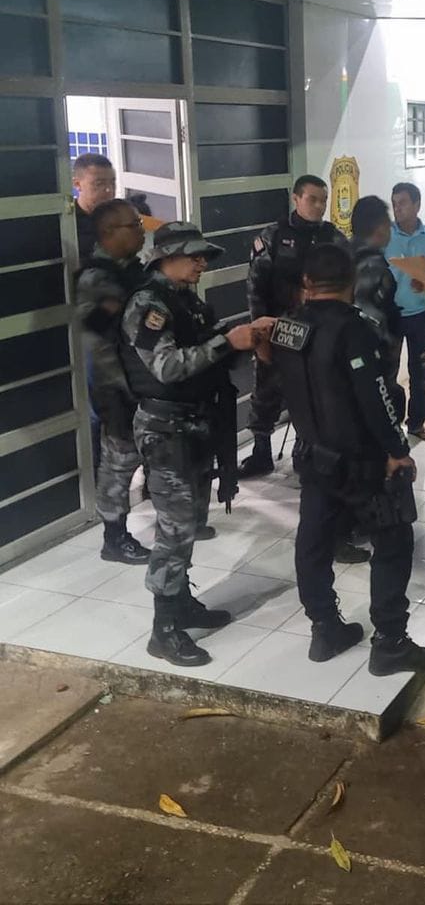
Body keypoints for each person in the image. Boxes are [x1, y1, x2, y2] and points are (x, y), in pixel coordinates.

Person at [270, 244, 425, 672]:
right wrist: (397, 451)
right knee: (394, 540)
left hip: (313, 456)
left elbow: (278, 380)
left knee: (313, 542)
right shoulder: (355, 329)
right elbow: (376, 397)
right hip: (363, 461)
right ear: (351, 281)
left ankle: (325, 628)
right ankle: (390, 642)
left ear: (307, 282)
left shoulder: (287, 327)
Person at [120, 222, 272, 667]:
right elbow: (166, 367)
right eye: (194, 255)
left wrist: (244, 332)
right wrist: (228, 342)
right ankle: (163, 630)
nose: (202, 262)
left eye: (204, 255)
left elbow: (204, 342)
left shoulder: (185, 300)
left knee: (189, 523)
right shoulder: (147, 304)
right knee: (174, 530)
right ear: (166, 257)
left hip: (195, 424)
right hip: (165, 428)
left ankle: (182, 604)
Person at [239, 174, 347, 479]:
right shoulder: (273, 236)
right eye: (312, 199)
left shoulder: (333, 238)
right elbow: (255, 288)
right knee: (266, 392)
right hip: (277, 329)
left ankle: (305, 452)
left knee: (312, 393)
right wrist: (259, 335)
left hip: (317, 333)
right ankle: (261, 452)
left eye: (323, 200)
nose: (319, 206)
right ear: (296, 199)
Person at [75, 199, 150, 565]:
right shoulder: (96, 278)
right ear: (108, 233)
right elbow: (101, 334)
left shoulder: (133, 269)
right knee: (119, 461)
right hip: (117, 386)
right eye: (133, 225)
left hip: (143, 380)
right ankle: (115, 537)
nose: (141, 230)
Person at [387, 182, 425, 442]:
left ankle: (417, 423)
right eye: (394, 204)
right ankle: (390, 425)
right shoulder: (386, 236)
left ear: (417, 205)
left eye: (403, 203)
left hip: (420, 315)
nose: (397, 209)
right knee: (389, 373)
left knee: (419, 373)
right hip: (392, 315)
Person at [350, 194, 403, 386]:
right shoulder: (374, 267)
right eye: (389, 225)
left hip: (346, 354)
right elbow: (371, 318)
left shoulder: (341, 254)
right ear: (381, 228)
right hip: (372, 358)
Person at [72, 154, 117, 260]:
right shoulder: (69, 223)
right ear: (77, 184)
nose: (109, 190)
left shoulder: (121, 216)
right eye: (99, 184)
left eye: (112, 183)